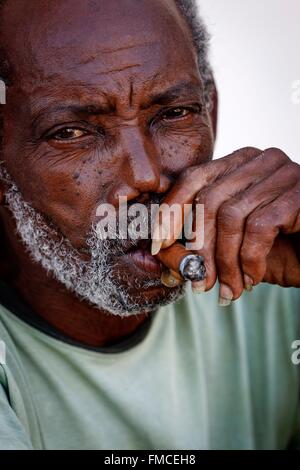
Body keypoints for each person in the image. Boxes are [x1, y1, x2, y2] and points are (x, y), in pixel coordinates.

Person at [0, 0, 299, 450]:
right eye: (71, 132)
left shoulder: (273, 269)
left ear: (210, 110)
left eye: (174, 113)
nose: (145, 176)